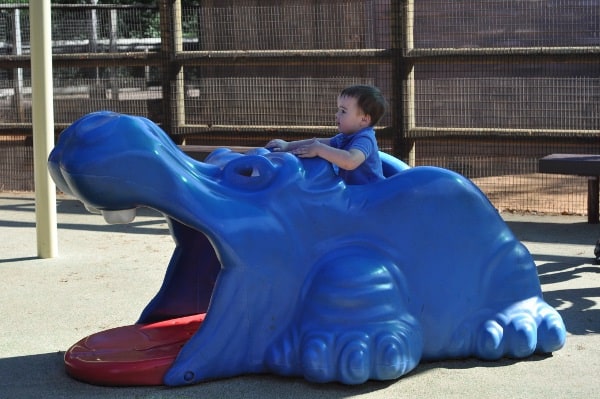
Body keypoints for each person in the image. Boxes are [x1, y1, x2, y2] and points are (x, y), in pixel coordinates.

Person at [266, 84, 387, 185]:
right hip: (355, 193)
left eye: (343, 111)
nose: (336, 114)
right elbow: (318, 142)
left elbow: (350, 161)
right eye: (338, 110)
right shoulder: (346, 137)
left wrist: (320, 150)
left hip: (371, 195)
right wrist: (288, 146)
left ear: (364, 120)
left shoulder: (365, 139)